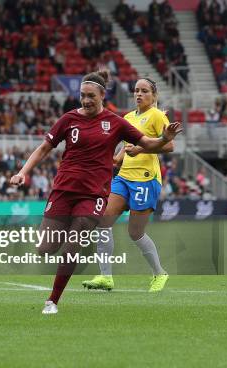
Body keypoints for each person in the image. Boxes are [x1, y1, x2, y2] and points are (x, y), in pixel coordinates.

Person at [9, 71, 182, 315]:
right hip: (63, 190)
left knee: (77, 238)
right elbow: (44, 147)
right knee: (45, 248)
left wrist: (165, 137)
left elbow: (149, 144)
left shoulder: (117, 123)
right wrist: (23, 172)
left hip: (95, 194)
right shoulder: (69, 119)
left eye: (91, 96)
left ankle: (53, 301)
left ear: (102, 95)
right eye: (82, 96)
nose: (86, 100)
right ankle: (86, 261)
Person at [82, 78, 172, 292]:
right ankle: (106, 277)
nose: (139, 94)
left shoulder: (157, 116)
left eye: (144, 91)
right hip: (124, 177)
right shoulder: (128, 118)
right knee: (102, 222)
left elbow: (169, 146)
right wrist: (112, 158)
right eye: (136, 91)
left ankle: (159, 273)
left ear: (154, 95)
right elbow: (124, 151)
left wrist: (141, 150)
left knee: (135, 232)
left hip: (146, 179)